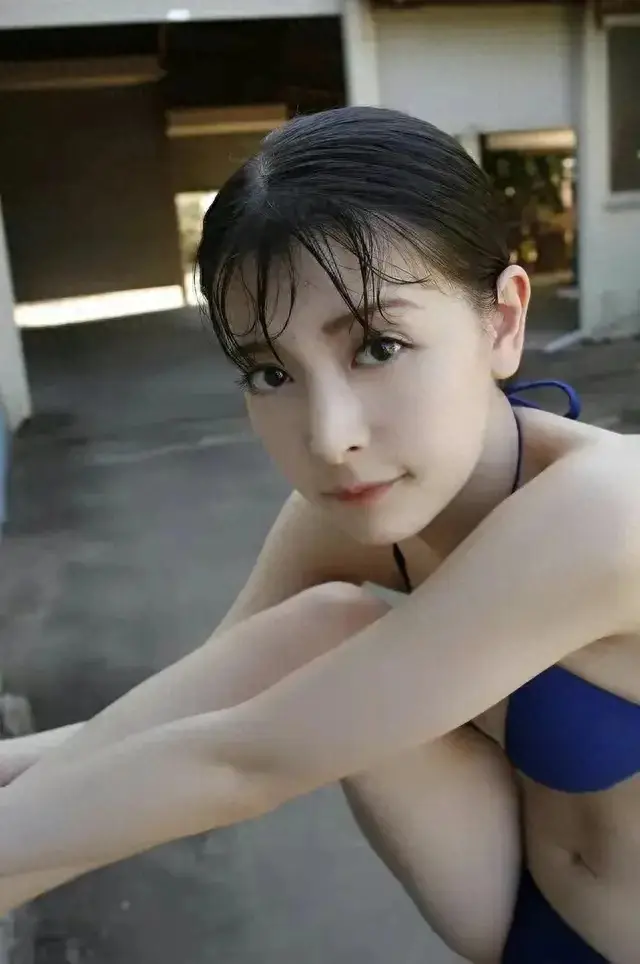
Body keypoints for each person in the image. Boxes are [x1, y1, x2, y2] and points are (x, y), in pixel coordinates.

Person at [0, 106, 639, 963]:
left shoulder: (609, 512)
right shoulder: (349, 513)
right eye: (271, 372)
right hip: (518, 904)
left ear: (502, 321)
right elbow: (194, 715)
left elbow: (245, 761)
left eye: (379, 346)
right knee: (318, 634)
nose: (330, 437)